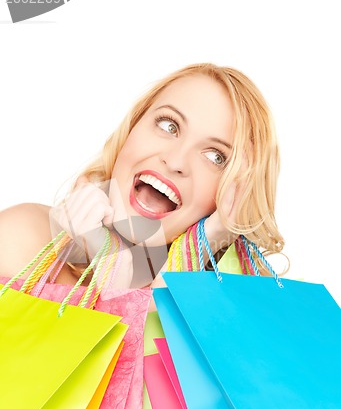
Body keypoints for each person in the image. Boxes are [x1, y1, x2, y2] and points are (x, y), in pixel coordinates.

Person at [0, 63, 285, 301]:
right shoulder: (23, 237)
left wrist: (203, 244)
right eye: (168, 125)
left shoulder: (224, 305)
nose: (175, 161)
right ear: (132, 128)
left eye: (216, 157)